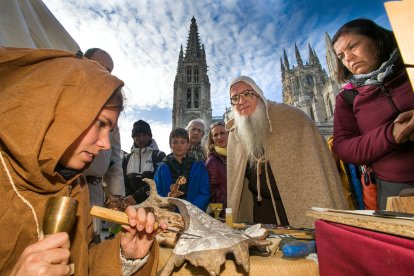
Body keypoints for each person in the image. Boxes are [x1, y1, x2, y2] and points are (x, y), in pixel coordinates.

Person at [0, 47, 166, 275]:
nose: (106, 144)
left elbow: (82, 261)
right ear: (65, 111)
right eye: (100, 124)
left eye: (111, 130)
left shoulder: (76, 185)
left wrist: (125, 256)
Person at [226, 76, 346, 228]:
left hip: (298, 207)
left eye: (247, 94)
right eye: (235, 98)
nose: (241, 101)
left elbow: (315, 171)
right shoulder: (235, 134)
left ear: (258, 94)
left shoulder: (291, 118)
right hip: (260, 210)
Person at [332, 19, 414, 209]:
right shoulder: (347, 97)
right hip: (396, 191)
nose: (348, 58)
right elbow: (343, 147)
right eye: (341, 56)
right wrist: (391, 134)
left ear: (377, 39)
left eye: (353, 46)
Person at [82, 47, 125, 243]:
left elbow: (114, 161)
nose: (105, 75)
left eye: (109, 71)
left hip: (95, 191)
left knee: (93, 240)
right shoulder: (69, 99)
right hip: (71, 187)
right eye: (100, 68)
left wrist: (117, 199)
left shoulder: (111, 107)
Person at [154, 128, 210, 211]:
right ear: (170, 145)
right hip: (169, 214)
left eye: (183, 142)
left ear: (188, 144)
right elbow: (157, 191)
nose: (179, 145)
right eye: (175, 142)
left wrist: (190, 209)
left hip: (194, 213)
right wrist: (166, 205)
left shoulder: (199, 166)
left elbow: (204, 192)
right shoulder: (162, 168)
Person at [123, 120, 166, 204]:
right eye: (138, 135)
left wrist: (136, 197)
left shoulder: (159, 156)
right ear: (133, 137)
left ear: (150, 136)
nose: (141, 138)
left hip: (152, 205)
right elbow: (122, 182)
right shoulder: (126, 158)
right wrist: (128, 197)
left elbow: (158, 182)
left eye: (144, 135)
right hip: (129, 203)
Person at [205, 121, 228, 217]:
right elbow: (211, 191)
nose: (219, 137)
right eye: (215, 135)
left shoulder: (238, 155)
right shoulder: (212, 160)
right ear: (212, 139)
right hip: (224, 212)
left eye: (222, 133)